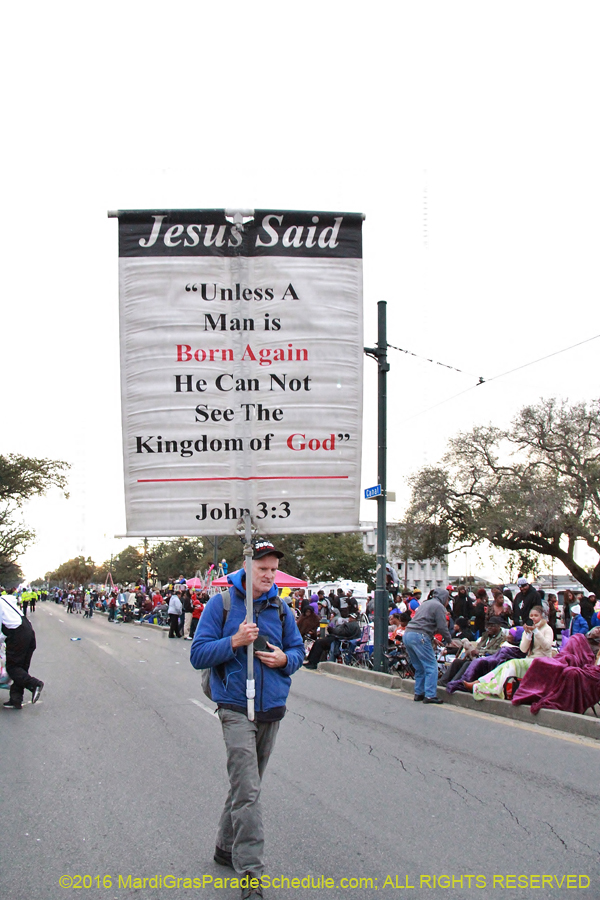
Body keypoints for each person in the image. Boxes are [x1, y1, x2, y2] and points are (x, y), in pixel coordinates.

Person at [190, 540, 304, 899]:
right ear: (246, 568)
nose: (269, 576)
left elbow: (299, 651)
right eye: (263, 569)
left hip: (271, 708)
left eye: (273, 570)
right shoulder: (221, 603)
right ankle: (252, 873)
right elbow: (198, 654)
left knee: (245, 789)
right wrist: (235, 641)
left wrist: (285, 661)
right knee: (249, 791)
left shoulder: (283, 609)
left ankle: (225, 848)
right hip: (235, 708)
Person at [464, 606, 554, 700]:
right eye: (531, 615)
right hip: (529, 659)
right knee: (503, 666)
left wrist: (536, 632)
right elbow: (523, 649)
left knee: (511, 664)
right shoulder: (528, 629)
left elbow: (547, 646)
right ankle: (481, 684)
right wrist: (528, 635)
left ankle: (484, 685)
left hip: (542, 660)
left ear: (541, 617)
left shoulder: (547, 629)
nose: (533, 618)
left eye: (536, 615)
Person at [403, 588, 455, 704]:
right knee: (431, 666)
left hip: (408, 634)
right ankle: (430, 695)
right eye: (448, 600)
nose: (448, 602)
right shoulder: (439, 607)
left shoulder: (425, 604)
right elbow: (442, 627)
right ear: (444, 598)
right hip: (420, 636)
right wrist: (449, 640)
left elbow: (422, 622)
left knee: (419, 667)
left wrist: (432, 639)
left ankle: (419, 693)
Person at [0, 590, 44, 710]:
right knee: (21, 667)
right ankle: (16, 700)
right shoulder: (6, 601)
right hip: (28, 631)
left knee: (12, 667)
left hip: (18, 634)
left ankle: (34, 684)